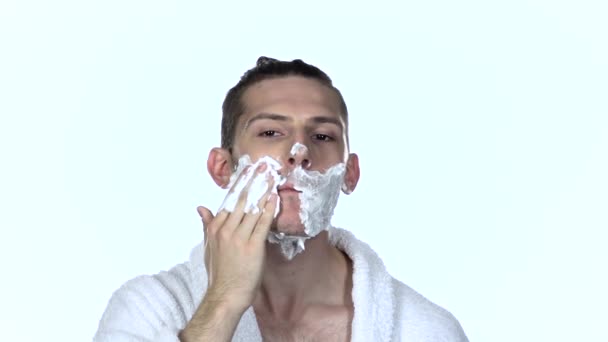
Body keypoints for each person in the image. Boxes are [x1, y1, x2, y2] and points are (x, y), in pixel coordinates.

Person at [93, 57, 469, 342]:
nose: (299, 151)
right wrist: (222, 303)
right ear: (222, 168)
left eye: (322, 136)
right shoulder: (147, 309)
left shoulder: (424, 330)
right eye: (271, 131)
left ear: (350, 174)